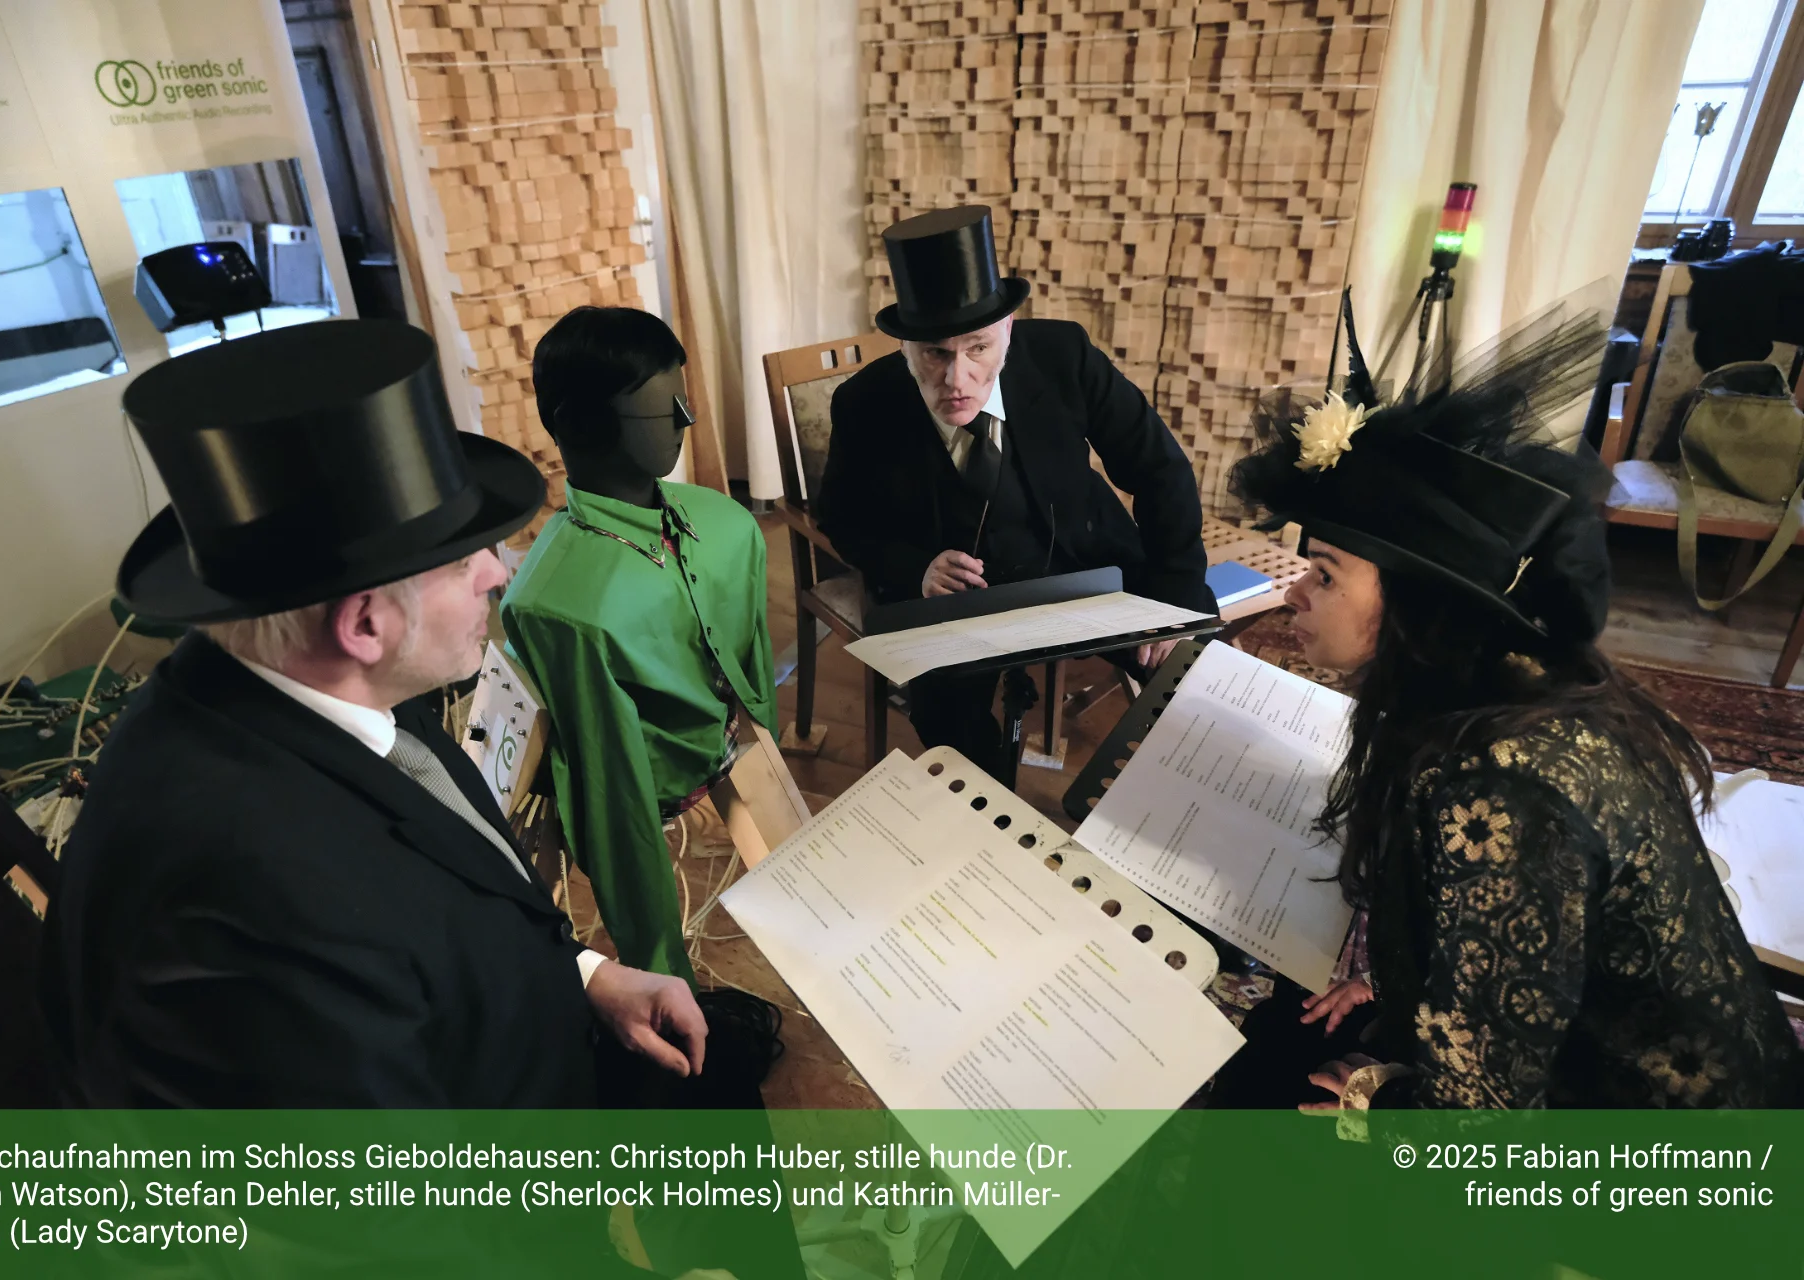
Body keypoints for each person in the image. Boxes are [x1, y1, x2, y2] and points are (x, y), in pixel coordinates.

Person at [40, 320, 710, 1110]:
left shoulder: (318, 681)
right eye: (462, 560)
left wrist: (586, 975)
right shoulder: (253, 917)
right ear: (363, 623)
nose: (497, 573)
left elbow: (456, 895)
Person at [1219, 312, 1802, 1112]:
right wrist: (1400, 982)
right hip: (1582, 1054)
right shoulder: (1490, 690)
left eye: (1324, 574)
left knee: (1265, 1092)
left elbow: (1485, 1109)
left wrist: (1374, 1102)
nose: (1294, 593)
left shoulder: (1503, 787)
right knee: (1294, 1024)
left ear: (1419, 604)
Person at [819, 206, 1216, 776]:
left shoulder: (1064, 356)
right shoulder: (865, 403)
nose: (957, 380)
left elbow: (1160, 469)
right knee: (956, 739)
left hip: (1084, 566)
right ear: (905, 346)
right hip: (953, 606)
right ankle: (995, 825)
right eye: (935, 354)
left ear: (1007, 330)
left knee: (1194, 676)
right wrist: (915, 569)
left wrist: (1174, 599)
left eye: (977, 348)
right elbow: (841, 516)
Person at [502, 307, 776, 983]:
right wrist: (660, 970)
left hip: (739, 763)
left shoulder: (731, 526)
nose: (687, 420)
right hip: (652, 796)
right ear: (579, 424)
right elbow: (610, 791)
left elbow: (755, 677)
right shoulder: (559, 609)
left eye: (684, 399)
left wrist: (764, 757)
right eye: (662, 410)